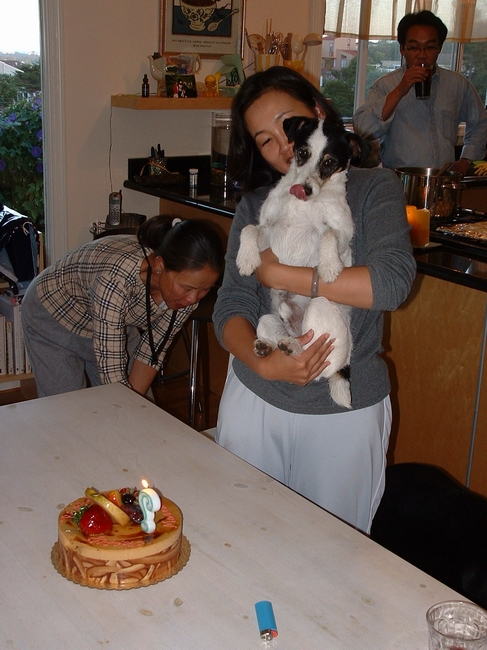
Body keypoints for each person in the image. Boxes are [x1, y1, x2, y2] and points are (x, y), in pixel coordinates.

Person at [212, 66, 416, 534]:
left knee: (335, 552)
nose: (283, 145)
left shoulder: (373, 188)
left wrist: (280, 274)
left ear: (317, 112)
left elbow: (391, 284)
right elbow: (231, 307)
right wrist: (263, 363)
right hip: (256, 396)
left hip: (343, 411)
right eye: (265, 139)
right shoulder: (257, 206)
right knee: (242, 538)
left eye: (287, 123)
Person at [21, 215, 224, 398]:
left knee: (140, 408)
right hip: (52, 314)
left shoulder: (187, 291)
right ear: (160, 266)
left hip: (108, 321)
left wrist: (133, 409)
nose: (193, 299)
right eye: (188, 288)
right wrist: (125, 409)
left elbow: (151, 352)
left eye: (204, 289)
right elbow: (114, 380)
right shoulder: (115, 281)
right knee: (69, 411)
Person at [353, 10, 487, 176]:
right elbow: (363, 129)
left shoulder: (458, 85)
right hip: (398, 181)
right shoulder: (386, 85)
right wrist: (400, 89)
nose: (422, 55)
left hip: (442, 179)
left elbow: (480, 122)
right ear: (402, 49)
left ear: (439, 48)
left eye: (429, 47)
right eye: (414, 47)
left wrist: (467, 158)